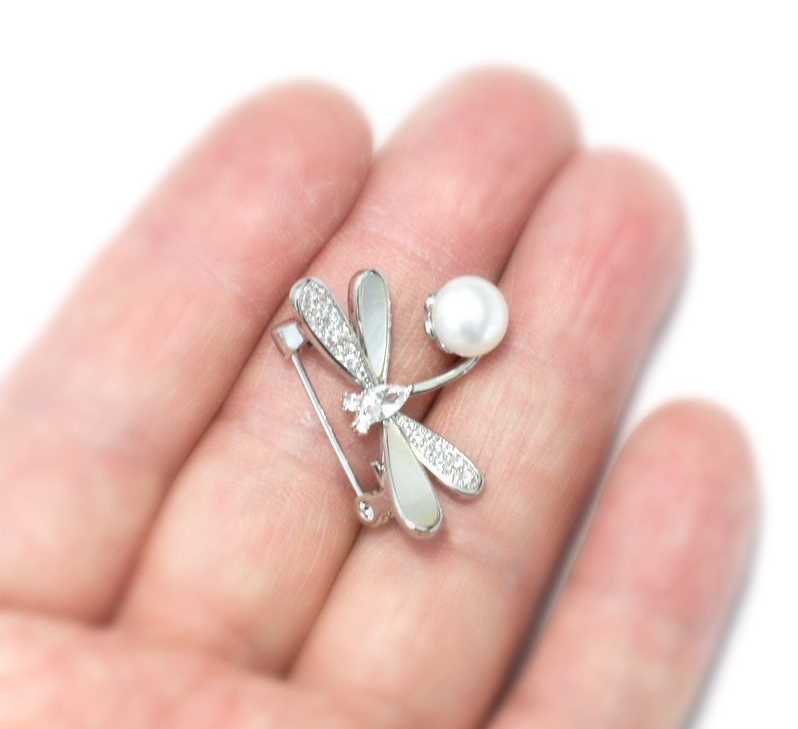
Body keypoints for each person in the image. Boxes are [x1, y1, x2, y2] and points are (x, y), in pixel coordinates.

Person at [0, 69, 756, 727]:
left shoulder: (401, 392)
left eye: (364, 411)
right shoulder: (370, 384)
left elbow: (435, 459)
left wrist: (379, 419)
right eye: (365, 411)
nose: (358, 414)